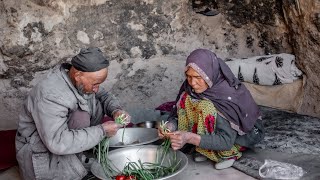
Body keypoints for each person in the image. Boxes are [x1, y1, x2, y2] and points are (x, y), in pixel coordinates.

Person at [15, 47, 131, 179]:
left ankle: (80, 157)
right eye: (95, 84)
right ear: (77, 76)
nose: (96, 88)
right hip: (43, 156)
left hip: (70, 149)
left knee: (95, 100)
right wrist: (102, 131)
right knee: (81, 114)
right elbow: (57, 142)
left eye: (99, 84)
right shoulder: (50, 95)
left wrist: (116, 110)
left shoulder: (81, 80)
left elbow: (103, 95)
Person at [159, 49, 264, 169]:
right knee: (187, 98)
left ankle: (228, 155)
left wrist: (189, 137)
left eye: (198, 77)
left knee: (205, 106)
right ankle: (206, 148)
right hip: (213, 131)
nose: (192, 82)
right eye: (188, 76)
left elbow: (226, 140)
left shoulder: (226, 95)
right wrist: (169, 126)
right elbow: (178, 115)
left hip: (239, 136)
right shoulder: (188, 88)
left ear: (209, 74)